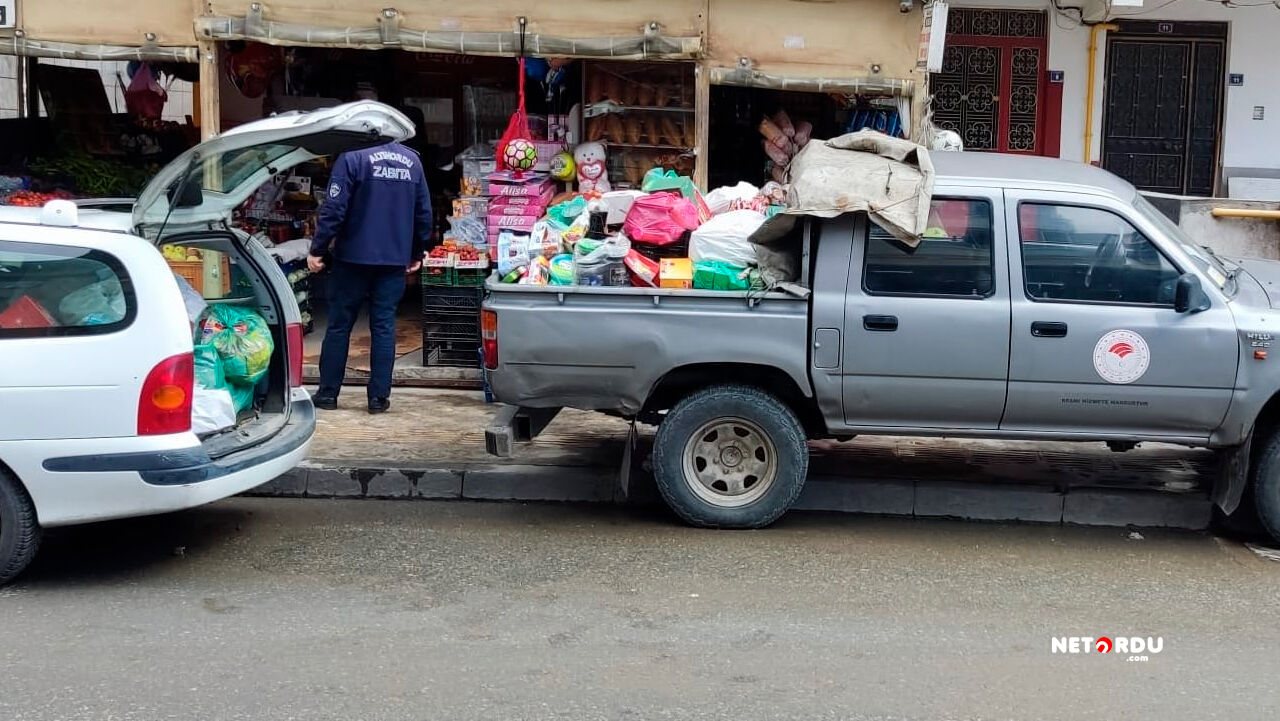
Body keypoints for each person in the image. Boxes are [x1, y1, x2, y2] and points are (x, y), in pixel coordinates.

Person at [308, 138, 432, 414]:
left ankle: (328, 394)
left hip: (352, 258)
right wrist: (416, 252)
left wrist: (318, 248)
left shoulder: (352, 157)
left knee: (339, 325)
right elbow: (423, 213)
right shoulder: (412, 162)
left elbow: (333, 209)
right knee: (384, 326)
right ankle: (378, 398)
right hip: (392, 261)